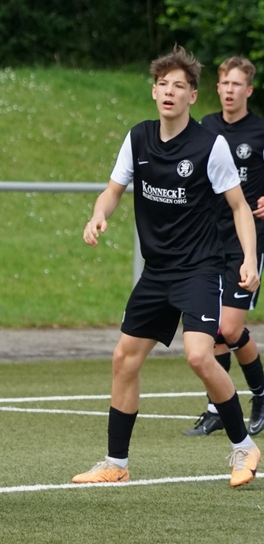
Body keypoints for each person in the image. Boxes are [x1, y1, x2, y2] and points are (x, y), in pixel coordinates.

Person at [74, 45, 260, 487]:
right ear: (154, 92)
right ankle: (116, 463)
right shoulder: (138, 138)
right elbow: (113, 190)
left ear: (192, 96)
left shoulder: (210, 145)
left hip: (200, 269)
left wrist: (250, 259)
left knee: (199, 356)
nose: (170, 92)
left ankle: (244, 447)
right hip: (156, 272)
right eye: (163, 84)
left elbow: (239, 207)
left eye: (179, 86)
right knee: (124, 359)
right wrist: (99, 215)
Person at [186, 57, 264, 437]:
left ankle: (261, 394)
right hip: (210, 240)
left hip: (246, 241)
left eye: (237, 84)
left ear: (248, 90)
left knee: (230, 328)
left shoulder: (260, 131)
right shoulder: (206, 128)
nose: (230, 90)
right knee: (213, 327)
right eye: (225, 83)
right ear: (217, 88)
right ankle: (216, 407)